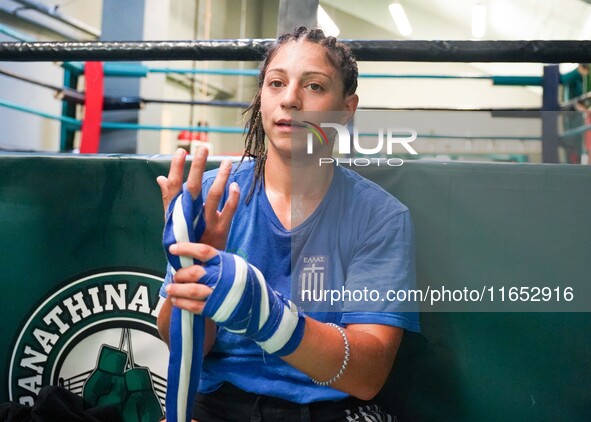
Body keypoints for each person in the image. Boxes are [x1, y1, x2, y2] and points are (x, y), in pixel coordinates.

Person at [156, 26, 420, 422]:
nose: (291, 99)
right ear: (261, 98)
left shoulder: (379, 217)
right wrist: (190, 281)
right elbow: (187, 343)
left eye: (314, 87)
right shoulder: (214, 196)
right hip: (219, 403)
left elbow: (367, 376)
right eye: (276, 83)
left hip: (327, 407)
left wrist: (265, 313)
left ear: (346, 109)